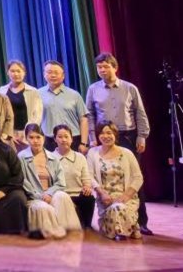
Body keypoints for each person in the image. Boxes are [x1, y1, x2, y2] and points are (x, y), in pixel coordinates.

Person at [86, 52, 151, 235]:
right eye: (99, 67)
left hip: (127, 135)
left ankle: (141, 221)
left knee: (133, 179)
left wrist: (142, 136)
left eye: (106, 67)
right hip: (104, 136)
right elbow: (89, 115)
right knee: (105, 178)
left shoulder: (130, 88)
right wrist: (92, 137)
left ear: (115, 68)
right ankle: (110, 216)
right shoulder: (93, 89)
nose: (102, 70)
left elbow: (140, 112)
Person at [18, 123, 81, 239]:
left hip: (51, 193)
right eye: (31, 137)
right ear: (26, 138)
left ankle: (69, 232)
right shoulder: (21, 157)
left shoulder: (53, 157)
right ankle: (54, 234)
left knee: (62, 196)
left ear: (43, 138)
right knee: (44, 208)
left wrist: (49, 193)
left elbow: (60, 182)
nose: (35, 141)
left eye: (38, 137)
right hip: (33, 197)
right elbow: (22, 181)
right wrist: (40, 196)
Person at [88, 121, 143, 240]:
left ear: (115, 135)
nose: (106, 136)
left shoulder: (127, 153)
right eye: (102, 133)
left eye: (109, 133)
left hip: (127, 198)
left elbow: (138, 177)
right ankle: (130, 227)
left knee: (119, 207)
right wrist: (102, 193)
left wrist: (125, 196)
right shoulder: (93, 153)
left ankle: (120, 232)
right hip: (106, 200)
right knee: (114, 209)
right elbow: (89, 177)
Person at [53, 124, 96, 230]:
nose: (63, 140)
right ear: (55, 139)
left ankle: (87, 226)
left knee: (89, 198)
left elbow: (86, 178)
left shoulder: (80, 157)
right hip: (59, 196)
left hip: (77, 194)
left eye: (66, 136)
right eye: (60, 137)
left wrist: (87, 186)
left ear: (71, 139)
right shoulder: (50, 157)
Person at [39, 60, 87, 153]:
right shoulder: (37, 94)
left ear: (63, 75)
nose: (53, 75)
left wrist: (84, 143)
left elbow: (83, 119)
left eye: (56, 72)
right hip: (48, 140)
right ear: (44, 75)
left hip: (73, 139)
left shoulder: (74, 95)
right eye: (49, 72)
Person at [0, 60, 42, 149]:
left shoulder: (33, 91)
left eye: (18, 71)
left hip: (27, 134)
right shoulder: (2, 91)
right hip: (8, 134)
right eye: (12, 71)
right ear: (7, 72)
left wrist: (28, 132)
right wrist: (8, 134)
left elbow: (37, 115)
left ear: (24, 73)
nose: (15, 74)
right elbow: (0, 115)